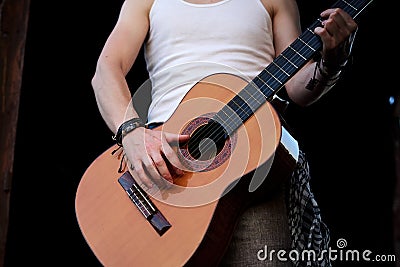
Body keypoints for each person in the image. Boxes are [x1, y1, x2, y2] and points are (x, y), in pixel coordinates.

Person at [91, 0, 358, 266]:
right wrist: (131, 132)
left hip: (256, 165)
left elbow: (298, 87)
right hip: (166, 167)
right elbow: (106, 69)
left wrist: (331, 64)